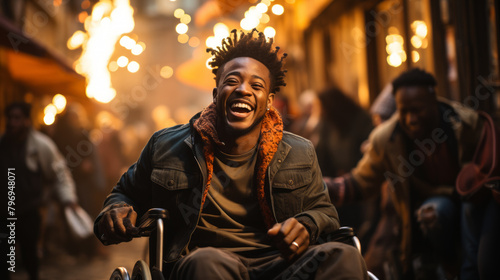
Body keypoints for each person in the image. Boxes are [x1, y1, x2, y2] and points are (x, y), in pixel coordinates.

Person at [94, 29, 368, 279]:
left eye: (256, 85)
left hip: (282, 266)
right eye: (232, 81)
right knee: (207, 262)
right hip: (205, 263)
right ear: (216, 94)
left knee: (344, 255)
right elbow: (124, 193)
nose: (243, 89)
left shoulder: (299, 151)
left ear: (269, 101)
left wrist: (308, 223)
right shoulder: (166, 146)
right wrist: (116, 209)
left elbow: (326, 213)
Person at [326, 68, 500, 280]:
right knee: (435, 211)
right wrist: (321, 189)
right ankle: (449, 267)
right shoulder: (386, 138)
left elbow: (488, 170)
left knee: (479, 253)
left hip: (473, 201)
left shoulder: (465, 123)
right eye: (404, 111)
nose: (411, 119)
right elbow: (362, 182)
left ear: (433, 101)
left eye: (418, 110)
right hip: (431, 211)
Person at [0, 102, 78, 280]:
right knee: (4, 261)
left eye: (17, 118)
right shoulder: (2, 144)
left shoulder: (41, 146)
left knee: (30, 258)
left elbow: (60, 173)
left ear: (27, 121)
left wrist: (68, 198)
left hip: (29, 212)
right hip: (4, 214)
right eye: (10, 118)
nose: (12, 122)